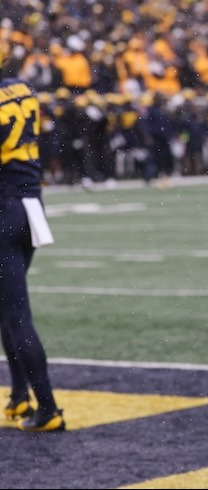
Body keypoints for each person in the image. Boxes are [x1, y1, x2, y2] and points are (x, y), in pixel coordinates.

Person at [0, 41, 66, 432]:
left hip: (4, 208)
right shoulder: (24, 89)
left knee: (16, 314)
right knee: (7, 307)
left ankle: (49, 407)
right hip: (30, 205)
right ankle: (20, 396)